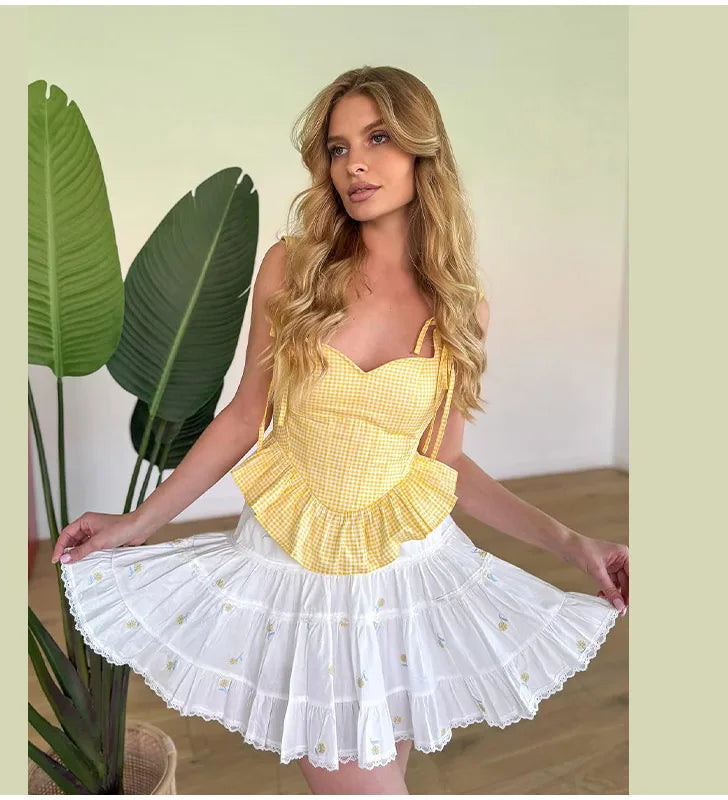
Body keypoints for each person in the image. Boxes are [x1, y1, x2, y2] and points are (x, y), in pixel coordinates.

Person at [50, 65, 628, 795]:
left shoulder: (460, 309)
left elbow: (443, 468)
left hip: (407, 574)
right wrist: (140, 521)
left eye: (378, 138)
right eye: (337, 147)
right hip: (301, 568)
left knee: (385, 768)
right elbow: (243, 417)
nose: (354, 162)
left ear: (424, 151)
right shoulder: (293, 269)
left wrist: (576, 544)